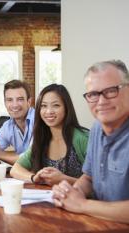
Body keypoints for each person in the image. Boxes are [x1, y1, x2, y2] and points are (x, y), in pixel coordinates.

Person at [53, 60, 129, 223]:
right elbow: (89, 178)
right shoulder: (96, 128)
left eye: (111, 91)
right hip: (100, 224)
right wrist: (71, 192)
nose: (101, 101)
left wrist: (82, 205)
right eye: (93, 94)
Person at [10, 84, 89, 186]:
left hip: (79, 200)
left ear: (66, 107)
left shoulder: (83, 138)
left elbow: (98, 185)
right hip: (49, 199)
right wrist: (34, 178)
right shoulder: (41, 139)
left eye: (56, 105)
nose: (48, 111)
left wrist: (63, 180)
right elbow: (15, 169)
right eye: (43, 106)